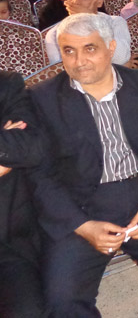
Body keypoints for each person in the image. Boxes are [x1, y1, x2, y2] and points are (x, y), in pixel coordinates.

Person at [28, 13, 138, 316]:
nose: (79, 61)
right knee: (61, 300)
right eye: (69, 51)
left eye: (90, 48)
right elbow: (40, 175)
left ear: (111, 48)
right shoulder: (41, 99)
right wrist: (83, 226)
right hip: (79, 204)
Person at [0, 71, 46, 317]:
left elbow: (30, 148)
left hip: (9, 244)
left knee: (29, 311)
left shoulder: (7, 85)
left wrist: (12, 147)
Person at [44, 0, 134, 66]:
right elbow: (67, 69)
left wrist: (91, 21)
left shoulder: (115, 23)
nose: (76, 1)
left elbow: (121, 58)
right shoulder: (54, 34)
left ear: (99, 2)